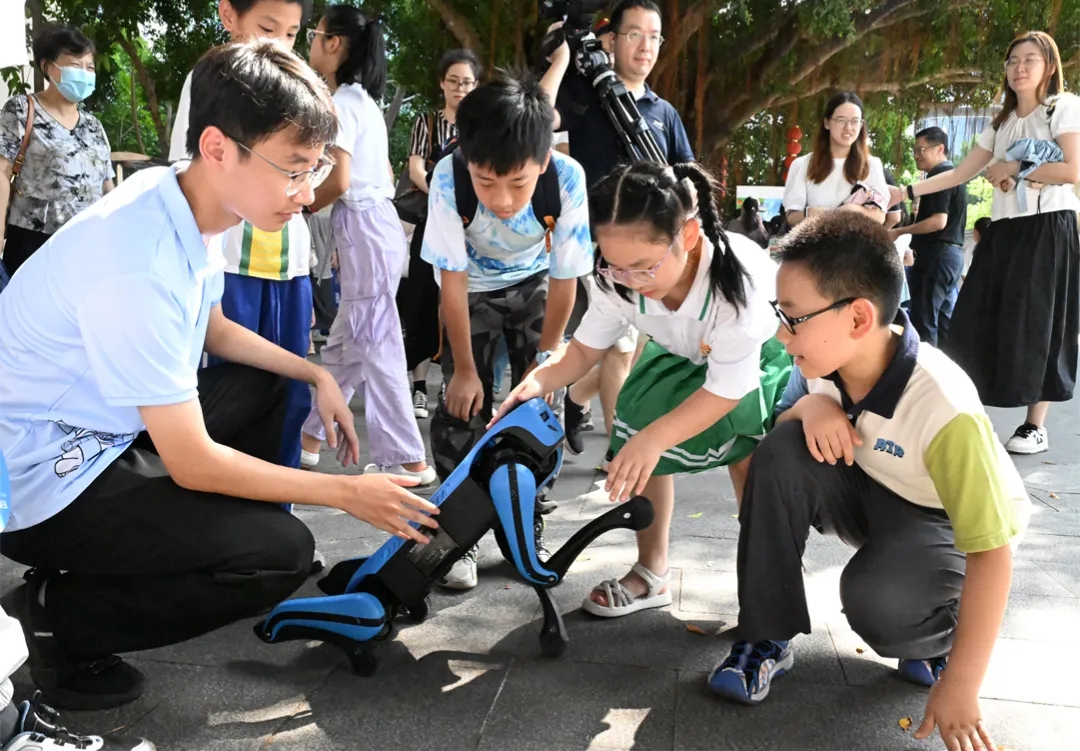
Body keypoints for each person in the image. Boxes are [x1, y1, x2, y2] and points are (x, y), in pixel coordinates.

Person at [0, 40, 438, 712]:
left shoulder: (177, 194)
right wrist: (347, 491)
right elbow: (193, 460)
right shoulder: (136, 260)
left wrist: (314, 373)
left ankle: (210, 546)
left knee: (276, 382)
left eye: (316, 167)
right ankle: (60, 618)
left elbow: (211, 327)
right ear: (217, 147)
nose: (310, 191)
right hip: (35, 479)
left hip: (101, 429)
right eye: (293, 169)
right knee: (282, 553)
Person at [708, 213, 1029, 751]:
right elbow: (784, 430)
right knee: (781, 452)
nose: (781, 333)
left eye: (792, 319)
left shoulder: (944, 406)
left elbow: (993, 554)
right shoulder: (821, 356)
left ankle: (934, 637)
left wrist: (963, 685)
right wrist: (812, 405)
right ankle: (766, 635)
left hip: (945, 525)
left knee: (876, 604)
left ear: (858, 317)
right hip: (876, 488)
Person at [492, 161, 791, 619]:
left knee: (750, 460)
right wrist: (533, 385)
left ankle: (767, 590)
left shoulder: (739, 284)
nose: (630, 280)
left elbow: (727, 392)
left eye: (643, 266)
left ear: (687, 237)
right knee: (639, 432)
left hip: (757, 358)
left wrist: (654, 440)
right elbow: (580, 354)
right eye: (614, 265)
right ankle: (653, 572)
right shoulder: (619, 278)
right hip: (684, 353)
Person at [422, 73, 592, 590]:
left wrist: (543, 368)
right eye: (486, 182)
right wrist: (466, 371)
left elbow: (566, 279)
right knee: (461, 404)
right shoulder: (448, 178)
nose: (501, 199)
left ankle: (527, 520)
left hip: (537, 286)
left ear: (541, 163)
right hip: (469, 291)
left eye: (518, 183)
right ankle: (457, 536)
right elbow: (451, 285)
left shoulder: (566, 178)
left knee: (542, 408)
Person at [891, 31, 1078, 455]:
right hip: (1005, 229)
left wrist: (1017, 166)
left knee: (1039, 324)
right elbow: (959, 175)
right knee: (975, 317)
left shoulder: (1062, 108)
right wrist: (905, 192)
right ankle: (964, 413)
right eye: (1013, 60)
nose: (1020, 67)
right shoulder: (1002, 122)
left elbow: (1072, 170)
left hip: (1049, 227)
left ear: (1049, 66)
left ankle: (1035, 425)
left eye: (1031, 59)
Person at [169, 0, 317, 485]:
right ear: (228, 15)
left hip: (287, 268)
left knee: (290, 393)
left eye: (292, 34)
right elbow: (193, 177)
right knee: (234, 400)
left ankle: (281, 510)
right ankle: (234, 516)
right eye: (267, 28)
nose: (279, 44)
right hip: (231, 267)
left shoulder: (296, 87)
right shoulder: (215, 82)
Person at [541, 0, 695, 456]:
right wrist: (561, 58)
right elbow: (540, 116)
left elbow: (686, 178)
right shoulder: (584, 97)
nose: (646, 46)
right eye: (635, 34)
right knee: (621, 347)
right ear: (611, 39)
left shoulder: (662, 112)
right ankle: (617, 452)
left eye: (654, 37)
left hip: (651, 254)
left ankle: (578, 394)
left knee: (627, 346)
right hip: (594, 246)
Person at [300, 5, 436, 484]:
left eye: (314, 35)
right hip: (373, 226)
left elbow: (337, 182)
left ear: (334, 43)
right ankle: (311, 438)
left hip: (363, 225)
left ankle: (407, 458)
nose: (309, 42)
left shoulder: (343, 104)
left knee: (376, 344)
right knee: (348, 343)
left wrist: (299, 206)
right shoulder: (360, 101)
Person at [399, 49, 482, 419]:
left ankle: (454, 377)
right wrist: (440, 194)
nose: (460, 88)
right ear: (442, 83)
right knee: (421, 302)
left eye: (466, 82)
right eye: (453, 81)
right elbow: (416, 165)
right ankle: (418, 385)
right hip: (432, 222)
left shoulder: (483, 125)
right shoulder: (427, 122)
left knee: (460, 306)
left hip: (472, 228)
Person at [0, 25, 113, 277]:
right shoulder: (22, 109)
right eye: (74, 65)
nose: (84, 73)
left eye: (89, 67)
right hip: (34, 244)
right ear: (48, 67)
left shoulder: (94, 125)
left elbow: (107, 187)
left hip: (87, 245)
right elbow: (2, 172)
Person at [888, 127, 968, 347]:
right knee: (944, 323)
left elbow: (938, 221)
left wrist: (899, 231)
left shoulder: (939, 177)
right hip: (952, 258)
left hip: (936, 257)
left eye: (920, 149)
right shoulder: (954, 175)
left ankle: (925, 376)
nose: (915, 155)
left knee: (924, 324)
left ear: (940, 148)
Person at [783, 92, 890, 228]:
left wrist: (854, 210)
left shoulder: (871, 165)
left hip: (856, 245)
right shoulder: (802, 164)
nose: (848, 127)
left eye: (855, 121)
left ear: (862, 125)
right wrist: (812, 212)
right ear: (826, 123)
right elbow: (791, 216)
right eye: (841, 120)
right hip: (815, 245)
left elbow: (880, 216)